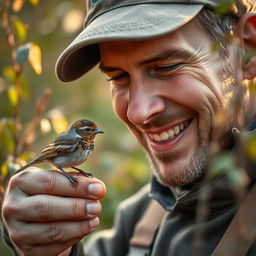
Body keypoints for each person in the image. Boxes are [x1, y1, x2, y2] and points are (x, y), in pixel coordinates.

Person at [2, 0, 256, 255]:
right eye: (118, 77)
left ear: (248, 48)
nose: (138, 112)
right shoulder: (140, 219)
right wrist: (50, 247)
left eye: (167, 67)